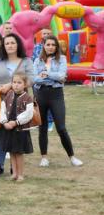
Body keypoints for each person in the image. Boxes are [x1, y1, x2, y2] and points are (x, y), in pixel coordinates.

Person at [0, 33, 34, 178]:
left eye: (13, 43)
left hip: (20, 104)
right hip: (2, 104)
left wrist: (10, 85)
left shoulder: (26, 61)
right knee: (1, 135)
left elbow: (31, 80)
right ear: (3, 46)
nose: (10, 45)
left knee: (17, 135)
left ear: (18, 44)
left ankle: (16, 169)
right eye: (7, 43)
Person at [33, 35, 82, 168]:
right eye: (48, 44)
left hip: (56, 95)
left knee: (61, 128)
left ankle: (72, 157)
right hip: (40, 94)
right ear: (44, 46)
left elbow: (62, 76)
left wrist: (46, 74)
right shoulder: (38, 60)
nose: (50, 47)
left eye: (53, 45)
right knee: (42, 128)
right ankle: (44, 158)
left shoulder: (62, 59)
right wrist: (53, 77)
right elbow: (34, 79)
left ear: (56, 47)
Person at [0, 73, 34, 182]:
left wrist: (16, 122)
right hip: (9, 128)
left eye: (19, 82)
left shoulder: (28, 98)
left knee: (19, 152)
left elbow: (28, 114)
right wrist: (4, 122)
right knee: (11, 151)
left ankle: (20, 174)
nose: (16, 85)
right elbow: (3, 109)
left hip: (20, 130)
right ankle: (14, 173)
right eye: (14, 82)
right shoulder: (9, 95)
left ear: (25, 84)